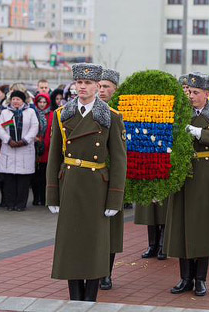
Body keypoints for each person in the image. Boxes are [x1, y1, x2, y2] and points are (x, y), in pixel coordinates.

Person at [46, 63, 127, 302]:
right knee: (71, 241)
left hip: (96, 187)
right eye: (79, 82)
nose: (83, 87)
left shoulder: (111, 117)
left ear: (97, 86)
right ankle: (75, 299)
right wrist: (52, 193)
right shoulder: (61, 115)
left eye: (89, 83)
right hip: (70, 184)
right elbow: (54, 158)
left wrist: (115, 196)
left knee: (94, 244)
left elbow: (120, 160)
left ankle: (90, 299)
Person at [164, 72, 209, 297]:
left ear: (207, 93)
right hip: (184, 173)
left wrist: (199, 132)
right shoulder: (180, 114)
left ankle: (201, 279)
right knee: (183, 225)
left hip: (206, 174)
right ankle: (185, 278)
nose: (191, 96)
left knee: (202, 227)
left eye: (195, 92)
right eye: (189, 92)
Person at [97, 68, 128, 292]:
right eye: (98, 86)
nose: (101, 90)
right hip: (91, 178)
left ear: (115, 89)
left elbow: (121, 152)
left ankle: (106, 273)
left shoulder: (120, 113)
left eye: (106, 86)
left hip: (111, 177)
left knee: (110, 230)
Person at [0, 90, 39, 212]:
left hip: (25, 148)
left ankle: (21, 204)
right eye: (14, 99)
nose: (16, 101)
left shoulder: (30, 112)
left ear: (23, 101)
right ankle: (10, 203)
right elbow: (0, 127)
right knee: (9, 179)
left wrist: (25, 140)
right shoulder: (5, 113)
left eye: (18, 99)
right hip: (9, 148)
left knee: (23, 180)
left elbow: (34, 127)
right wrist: (8, 140)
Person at [31, 93, 53, 206]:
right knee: (35, 176)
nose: (42, 104)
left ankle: (44, 198)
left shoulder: (52, 115)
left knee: (45, 175)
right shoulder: (32, 113)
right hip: (34, 147)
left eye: (44, 102)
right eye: (40, 102)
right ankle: (36, 198)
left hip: (47, 148)